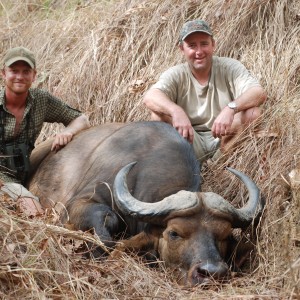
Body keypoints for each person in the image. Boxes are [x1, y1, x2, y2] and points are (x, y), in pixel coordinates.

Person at [143, 19, 267, 163]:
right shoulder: (175, 74)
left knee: (253, 113)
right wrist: (176, 111)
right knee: (158, 116)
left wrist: (230, 108)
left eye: (204, 44)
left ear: (213, 45)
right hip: (189, 140)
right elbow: (150, 97)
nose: (199, 51)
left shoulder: (230, 67)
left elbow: (258, 93)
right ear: (182, 49)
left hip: (225, 137)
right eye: (192, 46)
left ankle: (220, 164)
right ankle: (187, 165)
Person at [0, 46, 90, 216]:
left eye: (26, 71)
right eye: (14, 71)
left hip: (25, 172)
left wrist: (67, 132)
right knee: (37, 216)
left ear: (34, 75)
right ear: (3, 73)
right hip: (4, 177)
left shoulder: (41, 100)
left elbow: (81, 119)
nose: (20, 76)